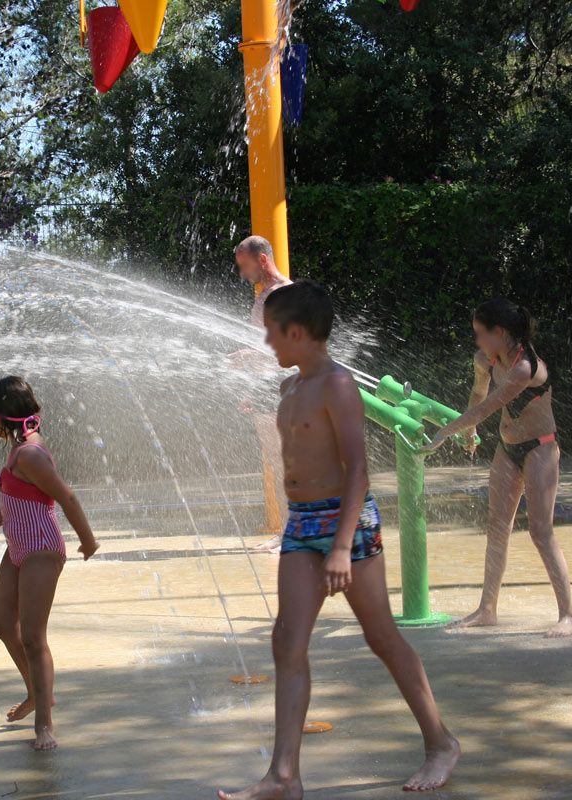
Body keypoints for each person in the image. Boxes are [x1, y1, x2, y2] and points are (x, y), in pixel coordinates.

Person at [219, 282, 459, 800]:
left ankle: (441, 742)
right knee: (286, 640)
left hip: (347, 524)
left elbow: (357, 471)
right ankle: (284, 777)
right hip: (303, 522)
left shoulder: (338, 385)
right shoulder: (289, 388)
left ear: (297, 332)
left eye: (272, 334)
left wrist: (341, 546)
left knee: (382, 637)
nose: (268, 345)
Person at [419, 299, 572, 638]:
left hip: (540, 448)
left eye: (481, 334)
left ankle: (568, 615)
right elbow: (479, 395)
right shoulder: (486, 359)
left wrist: (444, 434)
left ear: (500, 332)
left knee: (540, 531)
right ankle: (487, 608)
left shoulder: (525, 368)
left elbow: (491, 406)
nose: (477, 341)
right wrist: (470, 431)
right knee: (496, 526)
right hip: (508, 450)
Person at [0, 376, 100, 751]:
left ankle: (44, 723)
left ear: (1, 417)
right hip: (18, 547)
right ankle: (37, 693)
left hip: (41, 549)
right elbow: (13, 497)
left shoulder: (30, 454)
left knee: (32, 636)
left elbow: (68, 499)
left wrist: (88, 540)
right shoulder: (19, 451)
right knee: (2, 624)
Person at [227, 235, 293, 551]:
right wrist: (253, 387)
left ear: (262, 260)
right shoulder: (264, 295)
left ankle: (305, 532)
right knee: (276, 460)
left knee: (292, 461)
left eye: (246, 265)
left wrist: (249, 358)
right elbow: (265, 347)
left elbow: (292, 348)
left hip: (291, 383)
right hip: (268, 385)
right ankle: (289, 531)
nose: (242, 273)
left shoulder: (285, 295)